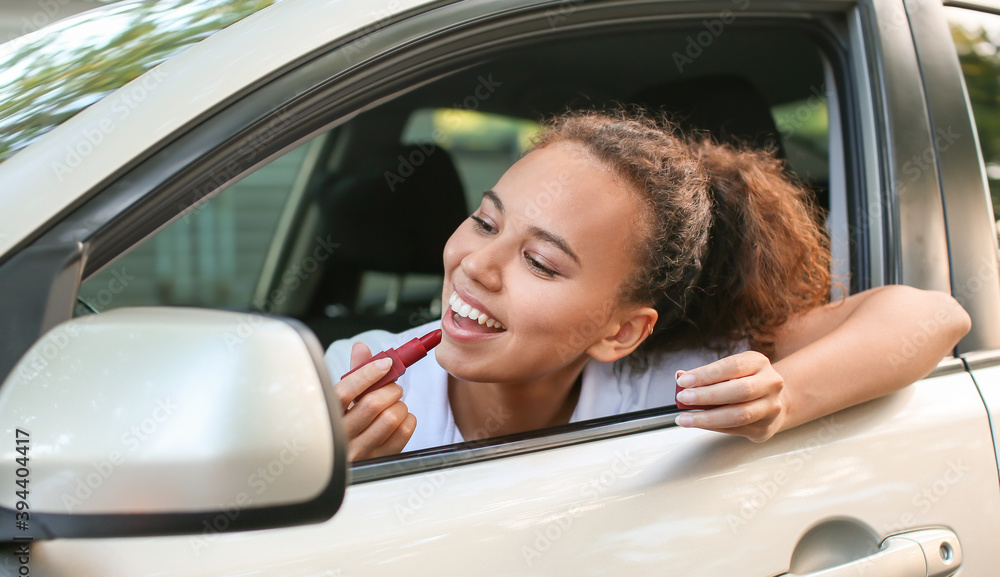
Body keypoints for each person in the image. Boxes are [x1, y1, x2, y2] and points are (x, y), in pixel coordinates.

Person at [326, 109, 971, 461]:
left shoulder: (670, 386)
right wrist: (333, 481)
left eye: (542, 263)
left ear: (622, 332)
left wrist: (785, 399)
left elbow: (932, 316)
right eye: (484, 221)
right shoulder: (348, 386)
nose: (476, 265)